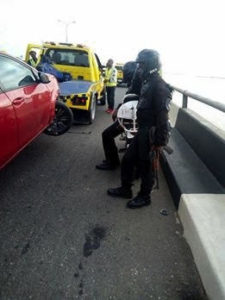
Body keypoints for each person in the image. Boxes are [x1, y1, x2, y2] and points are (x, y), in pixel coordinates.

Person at [107, 49, 172, 209]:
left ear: (150, 65)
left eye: (142, 65)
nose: (139, 69)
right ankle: (125, 189)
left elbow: (163, 117)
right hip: (142, 129)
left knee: (145, 165)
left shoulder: (159, 87)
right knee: (128, 160)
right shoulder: (147, 82)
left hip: (150, 132)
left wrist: (159, 141)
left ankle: (145, 197)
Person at [95, 66, 141, 171]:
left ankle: (112, 163)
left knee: (106, 135)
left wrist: (117, 112)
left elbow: (127, 103)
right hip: (140, 121)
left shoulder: (135, 87)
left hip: (129, 120)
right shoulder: (146, 85)